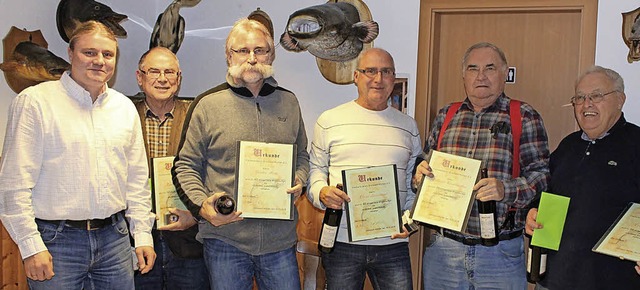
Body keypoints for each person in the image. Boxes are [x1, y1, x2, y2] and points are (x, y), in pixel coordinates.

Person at [0, 21, 156, 289]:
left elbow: (137, 180)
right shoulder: (35, 103)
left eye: (108, 55)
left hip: (115, 240)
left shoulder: (124, 108)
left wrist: (142, 234)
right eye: (89, 52)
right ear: (71, 54)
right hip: (56, 242)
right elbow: (14, 184)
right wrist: (30, 246)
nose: (99, 61)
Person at [172, 18, 309, 290]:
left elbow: (302, 155)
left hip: (279, 242)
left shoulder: (289, 102)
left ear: (271, 54)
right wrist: (203, 206)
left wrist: (300, 180)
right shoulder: (207, 104)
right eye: (242, 51)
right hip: (225, 239)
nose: (252, 58)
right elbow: (185, 166)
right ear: (228, 55)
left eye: (260, 50)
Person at [413, 42, 550, 289]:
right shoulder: (447, 115)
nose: (481, 76)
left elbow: (541, 175)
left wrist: (504, 190)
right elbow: (426, 162)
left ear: (504, 73)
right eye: (473, 68)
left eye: (490, 68)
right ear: (463, 74)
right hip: (444, 251)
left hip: (500, 254)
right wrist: (419, 175)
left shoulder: (523, 115)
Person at [307, 48, 422, 290]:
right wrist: (321, 193)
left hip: (392, 243)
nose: (378, 79)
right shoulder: (329, 120)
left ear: (393, 78)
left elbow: (415, 184)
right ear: (356, 76)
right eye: (370, 71)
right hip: (341, 242)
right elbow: (315, 170)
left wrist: (409, 221)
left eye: (386, 71)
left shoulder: (408, 126)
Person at [525, 66, 640, 289]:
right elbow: (546, 193)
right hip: (555, 279)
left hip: (614, 282)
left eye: (596, 96)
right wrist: (532, 211)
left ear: (620, 100)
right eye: (580, 98)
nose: (587, 104)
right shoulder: (568, 146)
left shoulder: (637, 144)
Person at [130, 47, 209, 290]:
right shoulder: (122, 113)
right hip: (135, 240)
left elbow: (213, 170)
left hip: (188, 240)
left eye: (169, 72)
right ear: (139, 77)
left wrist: (196, 214)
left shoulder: (198, 115)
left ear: (179, 78)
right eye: (154, 71)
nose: (162, 79)